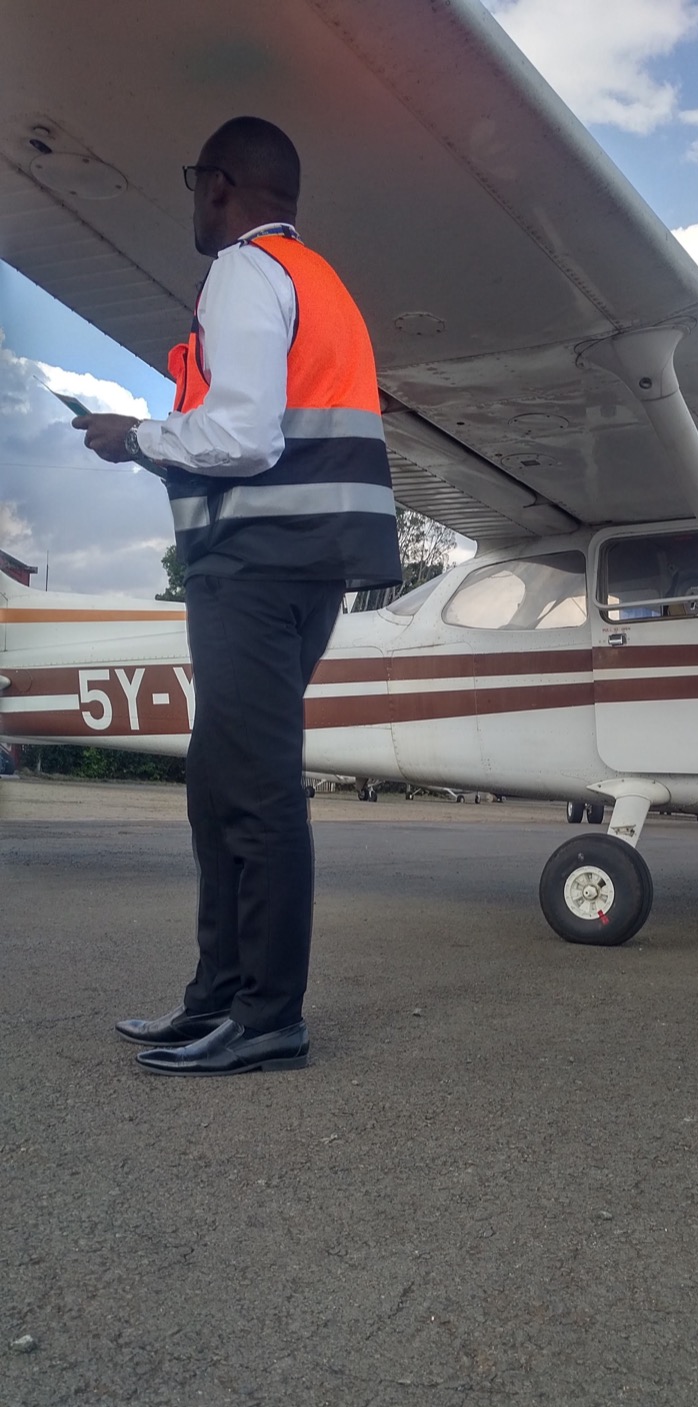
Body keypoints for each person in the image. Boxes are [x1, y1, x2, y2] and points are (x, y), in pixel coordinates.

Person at [75, 117, 402, 1076]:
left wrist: (136, 436)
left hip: (254, 568)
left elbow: (246, 436)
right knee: (222, 784)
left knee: (254, 791)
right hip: (306, 562)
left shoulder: (243, 272)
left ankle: (268, 1017)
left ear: (219, 186)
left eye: (192, 186)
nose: (192, 205)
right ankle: (216, 999)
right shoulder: (320, 280)